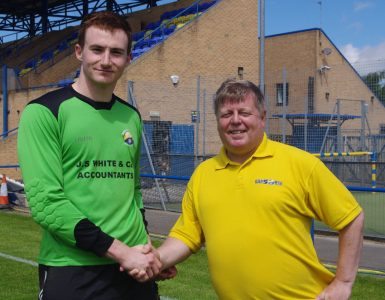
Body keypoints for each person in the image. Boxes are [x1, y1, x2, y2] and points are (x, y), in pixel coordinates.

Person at [152, 79, 364, 299]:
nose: (235, 121)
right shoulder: (203, 174)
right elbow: (187, 234)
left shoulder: (299, 164)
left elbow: (351, 218)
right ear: (217, 121)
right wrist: (157, 261)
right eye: (226, 114)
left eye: (244, 112)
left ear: (262, 118)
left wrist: (343, 281)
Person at [17, 11, 162, 300]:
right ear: (79, 52)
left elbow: (132, 192)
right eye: (97, 49)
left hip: (132, 268)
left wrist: (146, 250)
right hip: (73, 268)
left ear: (128, 58)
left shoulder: (130, 116)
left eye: (117, 52)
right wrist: (122, 253)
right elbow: (47, 203)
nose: (106, 61)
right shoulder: (44, 112)